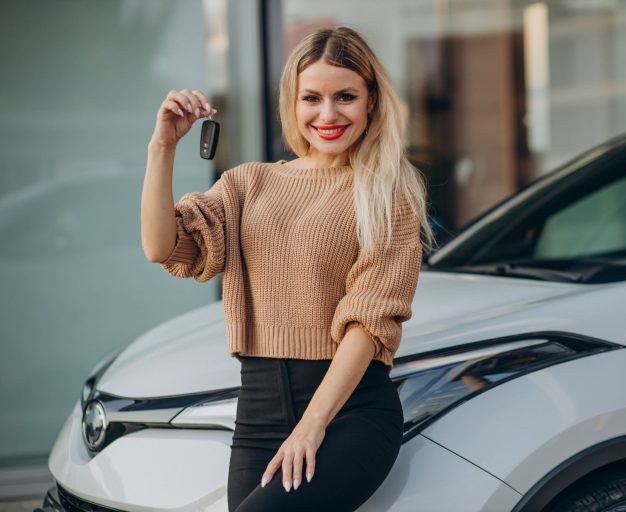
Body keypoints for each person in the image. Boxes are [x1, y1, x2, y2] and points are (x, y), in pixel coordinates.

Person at [141, 26, 437, 511]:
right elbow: (162, 246)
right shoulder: (247, 184)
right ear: (292, 104)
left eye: (345, 96)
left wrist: (311, 426)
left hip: (348, 415)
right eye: (311, 98)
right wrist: (162, 148)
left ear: (372, 103)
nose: (327, 113)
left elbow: (367, 323)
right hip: (258, 414)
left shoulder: (389, 192)